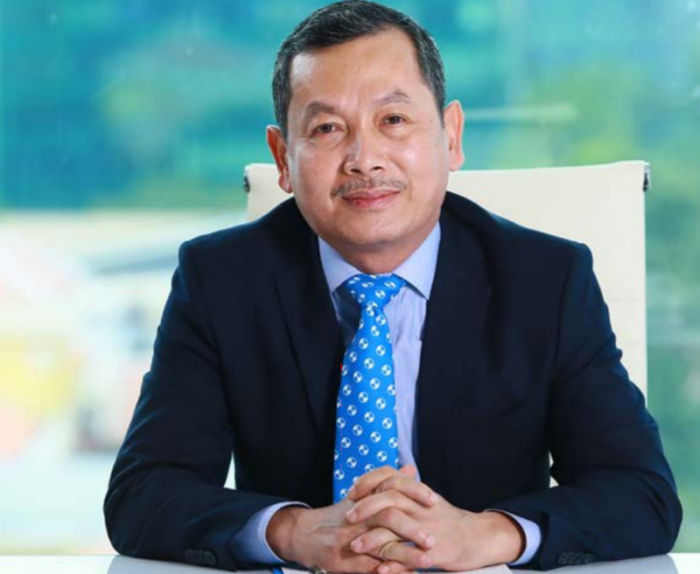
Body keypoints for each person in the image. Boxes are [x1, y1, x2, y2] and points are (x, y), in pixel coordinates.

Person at [104, 1, 682, 571]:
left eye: (394, 120)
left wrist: (486, 535)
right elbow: (144, 493)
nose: (364, 160)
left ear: (450, 136)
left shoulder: (546, 280)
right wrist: (294, 531)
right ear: (283, 158)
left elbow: (640, 494)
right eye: (327, 128)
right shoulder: (221, 280)